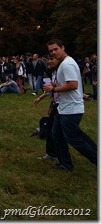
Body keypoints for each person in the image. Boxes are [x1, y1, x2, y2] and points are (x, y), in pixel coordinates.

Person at [43, 39, 97, 171]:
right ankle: (65, 164)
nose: (54, 52)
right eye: (51, 51)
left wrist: (54, 90)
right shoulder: (64, 63)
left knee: (73, 138)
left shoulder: (67, 64)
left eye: (56, 49)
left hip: (72, 108)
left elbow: (73, 85)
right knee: (58, 134)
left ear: (63, 47)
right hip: (64, 107)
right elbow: (68, 83)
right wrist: (56, 85)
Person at [33, 55, 60, 161]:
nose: (49, 62)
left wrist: (54, 87)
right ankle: (51, 153)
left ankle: (58, 155)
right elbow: (49, 90)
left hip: (62, 105)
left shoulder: (61, 72)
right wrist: (40, 98)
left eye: (51, 60)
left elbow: (66, 87)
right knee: (49, 128)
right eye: (48, 59)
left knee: (58, 131)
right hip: (55, 103)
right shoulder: (52, 73)